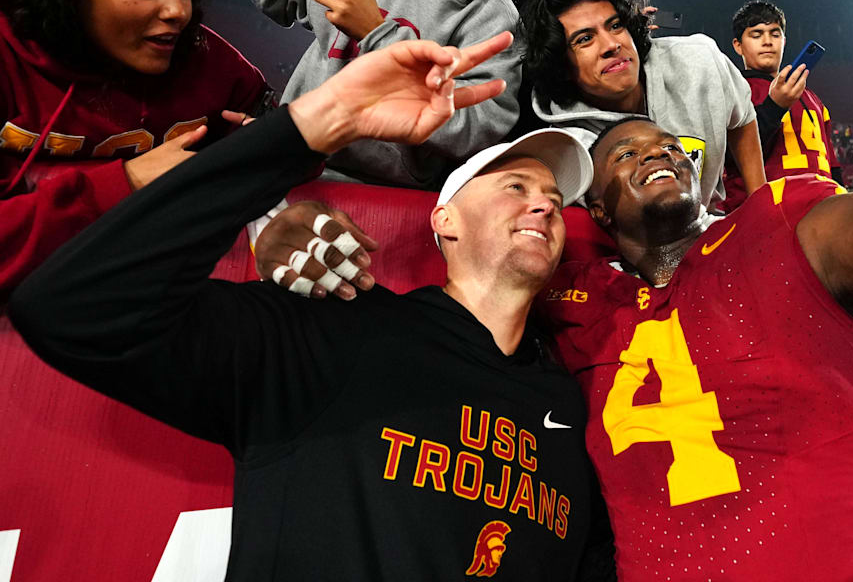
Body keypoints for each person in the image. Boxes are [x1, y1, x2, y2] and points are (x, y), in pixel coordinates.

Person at [243, 17, 853, 580]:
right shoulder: (571, 293)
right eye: (621, 153)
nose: (656, 151)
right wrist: (284, 224)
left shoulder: (789, 230)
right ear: (594, 212)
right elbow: (423, 248)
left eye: (670, 142)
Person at [10, 33, 616, 579]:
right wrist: (309, 128)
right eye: (515, 186)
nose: (543, 206)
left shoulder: (569, 403)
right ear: (445, 220)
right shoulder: (337, 325)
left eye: (555, 199)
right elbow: (71, 307)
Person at [0, 0, 272, 302]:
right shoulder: (7, 56)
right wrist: (126, 182)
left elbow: (277, 166)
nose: (178, 11)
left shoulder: (213, 65)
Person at [246, 0, 520, 189]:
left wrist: (376, 33)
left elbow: (480, 126)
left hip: (381, 189)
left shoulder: (492, 15)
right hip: (292, 159)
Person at [519, 0, 765, 209]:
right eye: (585, 39)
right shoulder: (569, 147)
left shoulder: (698, 60)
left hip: (712, 225)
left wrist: (761, 201)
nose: (611, 45)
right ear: (560, 65)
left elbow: (742, 117)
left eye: (615, 26)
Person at [726, 0, 840, 211]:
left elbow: (831, 163)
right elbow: (728, 156)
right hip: (763, 214)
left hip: (820, 210)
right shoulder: (731, 90)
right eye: (756, 34)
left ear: (784, 41)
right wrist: (774, 106)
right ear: (738, 45)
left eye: (775, 34)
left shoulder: (812, 97)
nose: (767, 41)